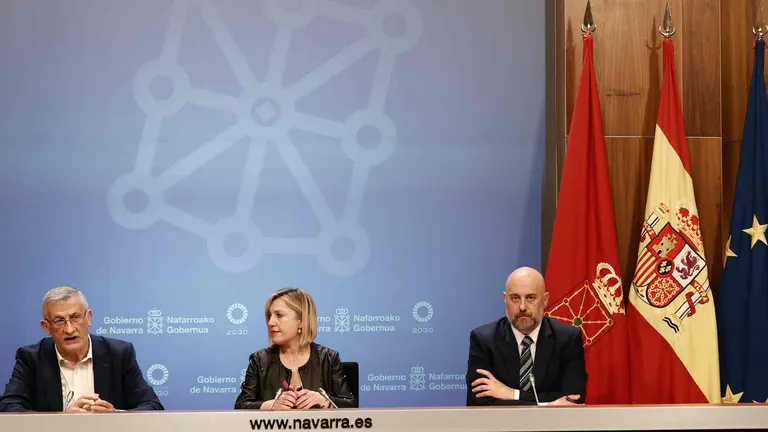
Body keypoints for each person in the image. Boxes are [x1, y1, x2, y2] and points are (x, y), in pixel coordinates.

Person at [0, 286, 164, 412]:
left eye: (75, 317)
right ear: (46, 327)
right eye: (59, 321)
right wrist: (62, 420)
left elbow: (152, 405)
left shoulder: (119, 353)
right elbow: (9, 407)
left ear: (88, 318)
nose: (69, 329)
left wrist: (117, 416)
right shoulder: (32, 358)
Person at [466, 267, 587, 406]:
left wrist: (511, 393)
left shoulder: (567, 339)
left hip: (553, 427)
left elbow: (573, 400)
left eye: (530, 298)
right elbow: (478, 403)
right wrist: (548, 404)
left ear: (545, 300)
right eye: (515, 298)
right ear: (505, 299)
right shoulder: (484, 339)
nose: (522, 307)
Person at [235, 288, 356, 410]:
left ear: (301, 321)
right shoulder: (259, 360)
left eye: (279, 315)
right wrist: (270, 405)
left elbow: (351, 405)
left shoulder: (328, 358)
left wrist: (324, 401)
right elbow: (241, 406)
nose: (270, 322)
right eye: (270, 316)